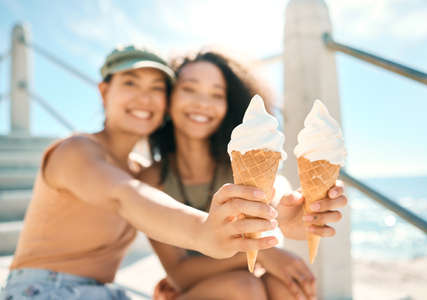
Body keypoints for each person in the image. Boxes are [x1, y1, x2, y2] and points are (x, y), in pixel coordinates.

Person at [0, 46, 280, 300]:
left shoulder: (139, 170)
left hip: (104, 293)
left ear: (167, 103)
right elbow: (124, 195)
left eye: (157, 88)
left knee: (260, 287)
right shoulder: (76, 150)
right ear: (104, 91)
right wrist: (202, 231)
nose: (144, 97)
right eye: (130, 82)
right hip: (43, 290)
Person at [141, 50, 347, 300]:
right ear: (168, 98)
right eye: (189, 89)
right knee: (243, 288)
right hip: (191, 291)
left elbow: (276, 190)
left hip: (242, 284)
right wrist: (262, 253)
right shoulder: (150, 180)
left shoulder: (238, 164)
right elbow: (180, 274)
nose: (203, 103)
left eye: (217, 94)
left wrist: (295, 212)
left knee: (287, 288)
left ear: (229, 104)